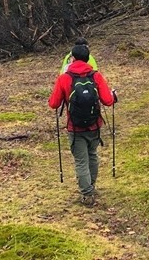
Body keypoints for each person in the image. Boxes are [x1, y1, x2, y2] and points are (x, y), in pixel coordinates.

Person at [49, 44, 115, 206]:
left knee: (81, 161)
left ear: (72, 58)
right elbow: (107, 101)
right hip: (94, 124)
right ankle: (90, 186)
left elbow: (53, 104)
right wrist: (114, 96)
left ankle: (87, 194)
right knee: (92, 155)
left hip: (75, 127)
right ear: (88, 58)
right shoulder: (96, 76)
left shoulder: (64, 78)